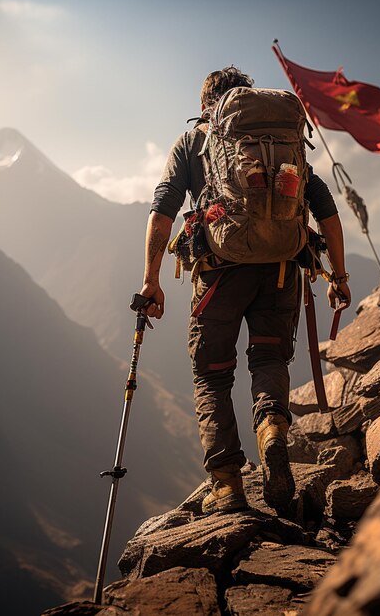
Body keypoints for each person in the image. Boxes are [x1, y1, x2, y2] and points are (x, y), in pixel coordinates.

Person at [140, 66, 351, 514]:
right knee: (270, 359)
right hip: (280, 271)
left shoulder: (195, 140)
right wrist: (341, 275)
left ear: (205, 106)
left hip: (220, 274)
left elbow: (162, 211)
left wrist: (151, 279)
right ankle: (272, 430)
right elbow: (326, 209)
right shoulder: (280, 141)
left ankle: (227, 486)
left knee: (212, 375)